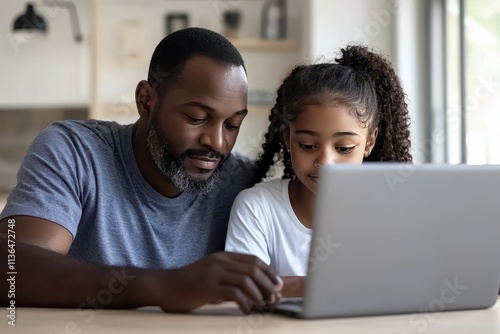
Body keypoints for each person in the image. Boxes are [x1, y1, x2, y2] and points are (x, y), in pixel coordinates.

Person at [0, 27, 283, 314]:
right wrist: (164, 286)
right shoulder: (74, 151)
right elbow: (10, 267)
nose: (218, 142)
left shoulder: (244, 184)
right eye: (197, 118)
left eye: (232, 125)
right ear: (146, 100)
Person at [225, 45, 412, 297]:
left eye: (344, 148)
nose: (325, 161)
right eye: (308, 146)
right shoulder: (257, 208)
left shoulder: (386, 211)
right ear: (287, 138)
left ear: (369, 143)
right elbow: (245, 290)